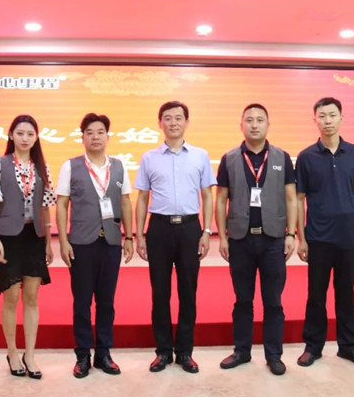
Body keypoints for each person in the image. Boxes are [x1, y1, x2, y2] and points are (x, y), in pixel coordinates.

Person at [134, 101, 216, 374]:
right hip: (159, 228)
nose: (173, 123)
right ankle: (162, 351)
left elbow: (207, 195)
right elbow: (142, 197)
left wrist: (207, 231)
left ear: (187, 123)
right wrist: (140, 235)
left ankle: (184, 352)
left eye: (178, 118)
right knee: (160, 293)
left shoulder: (200, 155)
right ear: (160, 123)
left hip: (190, 228)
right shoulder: (149, 158)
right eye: (167, 118)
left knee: (188, 293)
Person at [215, 103, 297, 376]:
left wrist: (291, 234)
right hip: (240, 240)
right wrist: (222, 237)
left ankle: (274, 355)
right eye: (249, 120)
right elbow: (221, 199)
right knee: (242, 300)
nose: (254, 124)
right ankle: (242, 351)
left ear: (268, 125)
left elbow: (291, 198)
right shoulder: (229, 158)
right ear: (241, 125)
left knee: (273, 301)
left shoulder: (282, 157)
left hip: (273, 240)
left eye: (260, 120)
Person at [295, 97, 354, 367]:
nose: (327, 121)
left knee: (346, 293)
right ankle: (313, 347)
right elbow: (299, 199)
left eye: (332, 115)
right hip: (318, 237)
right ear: (315, 120)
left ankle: (348, 347)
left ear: (341, 118)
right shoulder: (306, 157)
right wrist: (301, 238)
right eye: (322, 116)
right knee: (316, 295)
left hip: (349, 236)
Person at [56, 113, 134, 379]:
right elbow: (62, 204)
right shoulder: (70, 166)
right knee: (81, 302)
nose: (95, 137)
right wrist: (63, 241)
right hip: (81, 243)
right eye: (90, 132)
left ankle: (103, 353)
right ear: (83, 137)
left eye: (100, 132)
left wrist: (129, 237)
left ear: (107, 136)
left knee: (106, 302)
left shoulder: (119, 166)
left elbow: (125, 201)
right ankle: (82, 355)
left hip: (111, 242)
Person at [0, 114, 56, 379]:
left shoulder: (42, 167)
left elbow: (46, 208)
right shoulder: (0, 164)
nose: (25, 138)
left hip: (34, 237)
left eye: (30, 134)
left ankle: (30, 354)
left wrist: (48, 241)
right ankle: (12, 352)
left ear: (36, 138)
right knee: (12, 296)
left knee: (32, 297)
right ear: (11, 135)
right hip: (9, 238)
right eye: (20, 133)